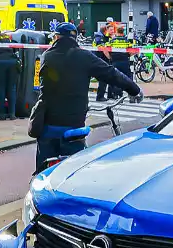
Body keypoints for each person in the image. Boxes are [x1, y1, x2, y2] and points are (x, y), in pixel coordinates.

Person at [34, 23, 142, 173]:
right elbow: (111, 73)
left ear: (57, 37)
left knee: (42, 172)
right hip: (73, 125)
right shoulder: (84, 56)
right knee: (75, 171)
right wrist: (134, 90)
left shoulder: (46, 56)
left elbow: (38, 87)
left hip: (47, 125)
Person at [0, 27, 20, 120]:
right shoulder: (7, 37)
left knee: (1, 88)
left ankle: (1, 114)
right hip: (13, 63)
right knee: (12, 88)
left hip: (1, 62)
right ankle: (12, 114)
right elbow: (16, 47)